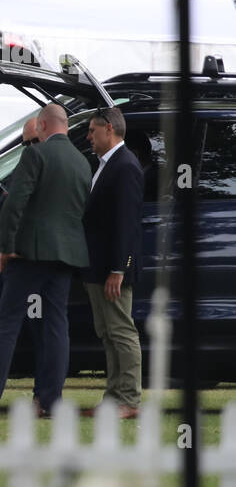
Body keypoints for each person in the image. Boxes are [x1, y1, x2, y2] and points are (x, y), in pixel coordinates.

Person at [0, 103, 90, 417]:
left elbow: (15, 204)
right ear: (66, 127)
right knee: (58, 327)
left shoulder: (36, 155)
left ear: (42, 126)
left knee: (6, 326)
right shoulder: (83, 161)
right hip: (66, 255)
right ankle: (50, 400)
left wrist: (6, 246)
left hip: (29, 253)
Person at [81, 108, 145, 419]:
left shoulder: (124, 166)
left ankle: (129, 400)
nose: (88, 137)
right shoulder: (107, 165)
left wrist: (119, 268)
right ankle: (114, 396)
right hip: (97, 265)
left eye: (92, 131)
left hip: (112, 268)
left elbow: (127, 224)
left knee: (121, 331)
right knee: (107, 332)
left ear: (109, 129)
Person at [0, 119, 45, 370]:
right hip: (4, 261)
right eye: (25, 144)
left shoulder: (51, 169)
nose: (29, 147)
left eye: (34, 141)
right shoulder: (20, 169)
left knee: (40, 329)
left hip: (33, 262)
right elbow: (1, 211)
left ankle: (44, 394)